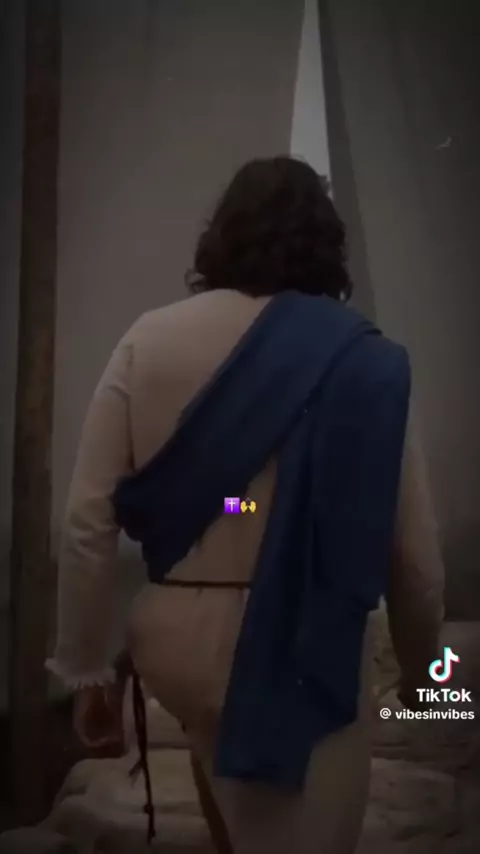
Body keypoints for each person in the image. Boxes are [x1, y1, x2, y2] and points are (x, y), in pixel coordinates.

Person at [47, 156, 444, 853]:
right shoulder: (362, 361)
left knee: (234, 829)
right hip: (303, 644)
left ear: (221, 235)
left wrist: (86, 670)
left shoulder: (147, 338)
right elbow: (412, 558)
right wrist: (421, 674)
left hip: (172, 640)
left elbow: (89, 521)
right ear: (328, 245)